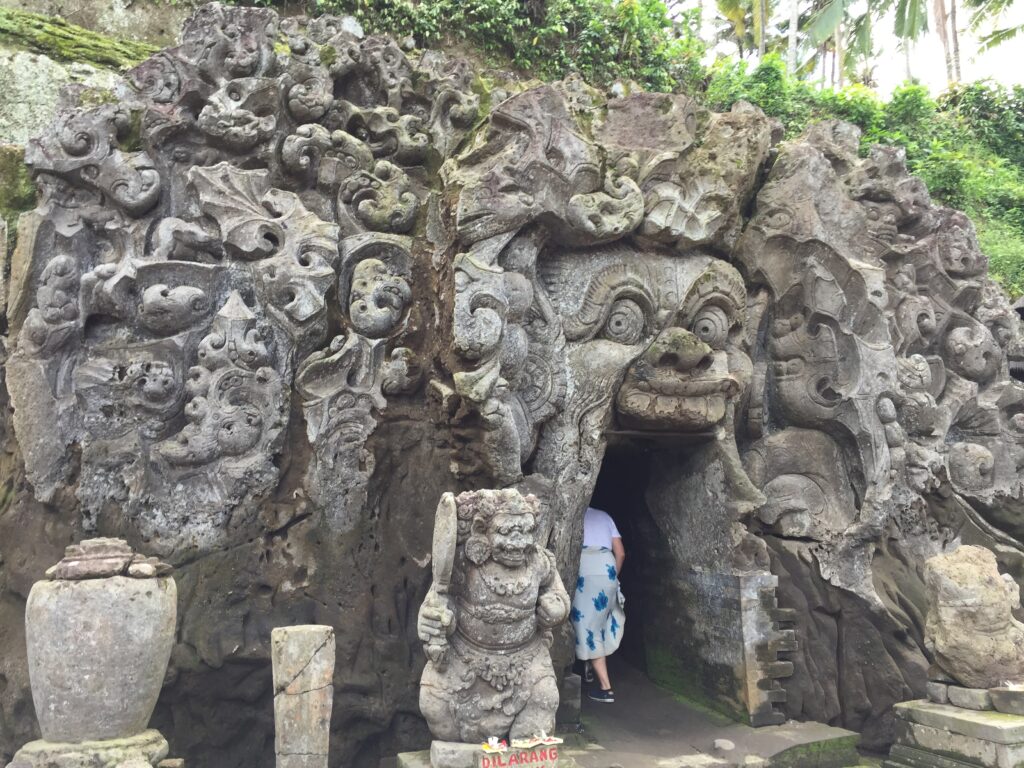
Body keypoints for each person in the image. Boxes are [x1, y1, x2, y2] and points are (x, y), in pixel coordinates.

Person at [571, 505, 626, 703]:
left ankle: (605, 688)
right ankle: (587, 666)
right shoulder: (605, 515)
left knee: (584, 625)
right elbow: (620, 553)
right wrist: (613, 578)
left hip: (585, 567)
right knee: (598, 623)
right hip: (607, 567)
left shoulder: (572, 513)